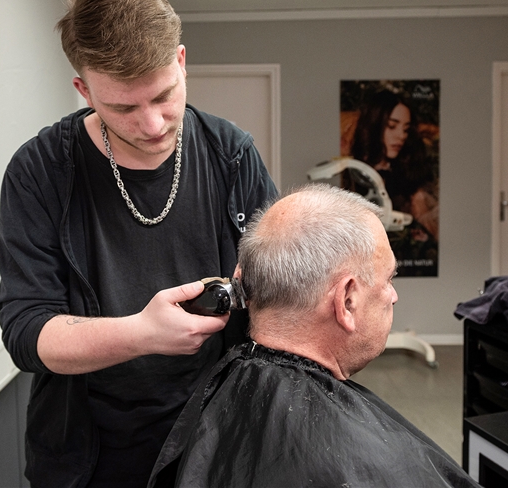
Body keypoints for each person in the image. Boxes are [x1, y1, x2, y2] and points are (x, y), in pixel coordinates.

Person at [0, 0, 277, 488]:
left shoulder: (230, 154)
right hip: (87, 457)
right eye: (123, 108)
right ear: (84, 89)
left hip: (215, 446)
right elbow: (26, 332)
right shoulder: (40, 172)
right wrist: (142, 335)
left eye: (164, 96)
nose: (151, 125)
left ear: (182, 61)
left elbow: (280, 285)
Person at [149, 184, 478, 488]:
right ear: (347, 301)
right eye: (389, 279)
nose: (393, 296)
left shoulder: (227, 399)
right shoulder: (348, 459)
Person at [349, 87, 438, 241]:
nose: (401, 136)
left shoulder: (410, 176)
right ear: (375, 125)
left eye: (406, 129)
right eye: (392, 126)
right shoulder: (353, 171)